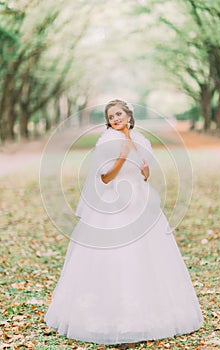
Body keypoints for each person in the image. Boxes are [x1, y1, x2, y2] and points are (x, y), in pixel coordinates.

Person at [44, 99, 204, 345]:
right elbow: (105, 178)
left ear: (129, 116)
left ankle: (151, 315)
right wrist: (122, 157)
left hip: (140, 202)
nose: (115, 119)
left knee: (149, 256)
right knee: (117, 256)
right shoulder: (106, 141)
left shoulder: (141, 140)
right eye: (110, 116)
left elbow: (145, 174)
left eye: (119, 114)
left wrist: (144, 169)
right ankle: (110, 320)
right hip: (114, 203)